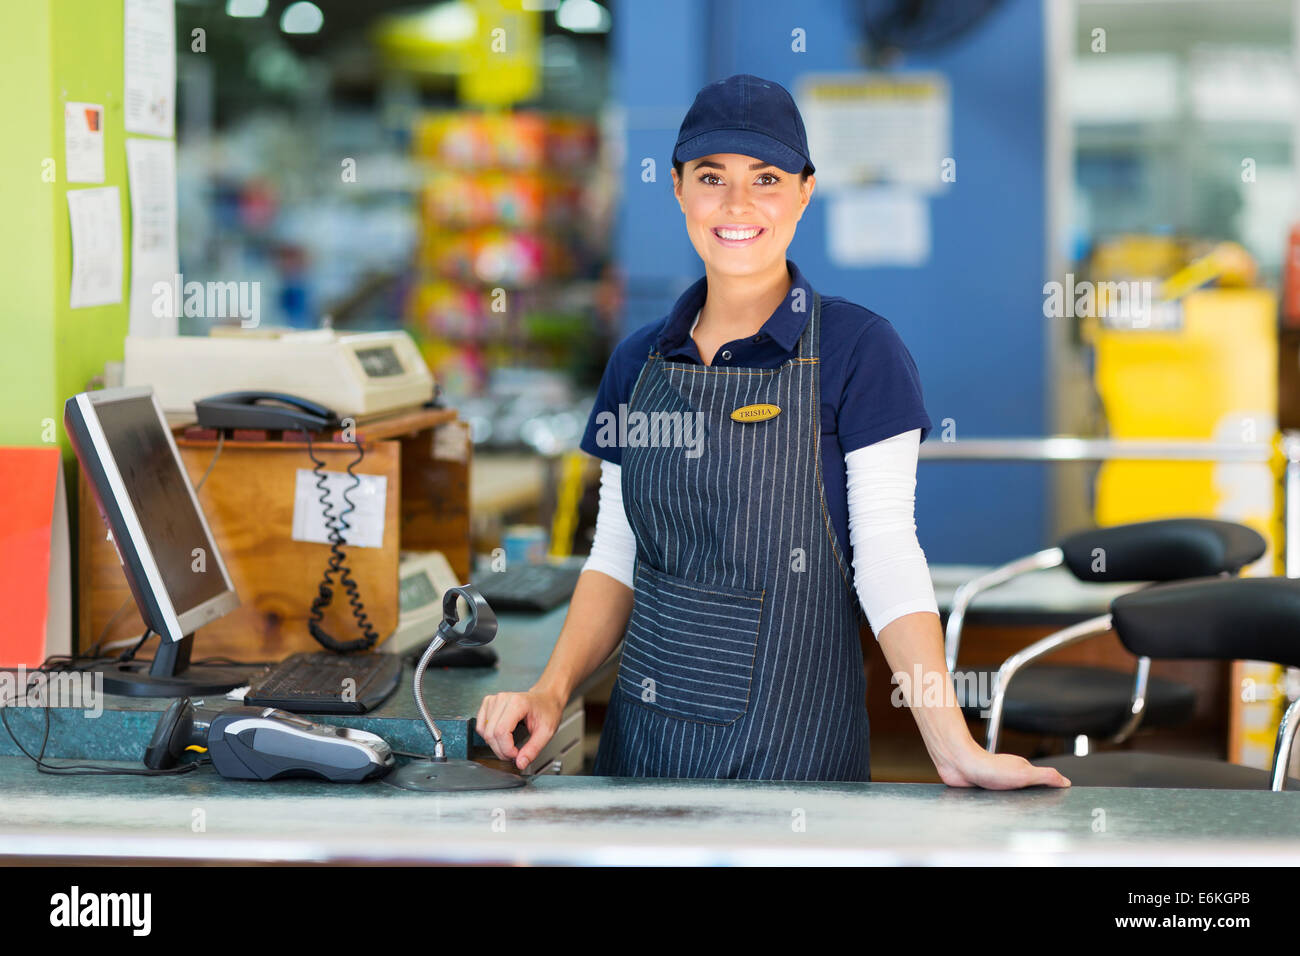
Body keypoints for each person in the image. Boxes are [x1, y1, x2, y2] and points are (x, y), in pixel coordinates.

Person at [476, 74, 1069, 789]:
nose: (737, 204)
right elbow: (616, 553)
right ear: (677, 188)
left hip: (796, 755)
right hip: (644, 757)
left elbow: (886, 555)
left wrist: (952, 745)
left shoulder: (858, 349)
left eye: (765, 178)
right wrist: (551, 689)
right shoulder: (637, 360)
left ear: (804, 192)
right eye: (711, 177)